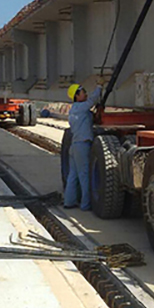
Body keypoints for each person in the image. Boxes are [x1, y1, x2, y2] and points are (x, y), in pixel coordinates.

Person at [63, 81, 104, 211]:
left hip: (75, 145)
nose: (85, 94)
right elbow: (92, 100)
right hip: (82, 145)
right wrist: (99, 86)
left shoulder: (74, 110)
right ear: (76, 96)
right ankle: (85, 204)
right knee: (84, 175)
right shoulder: (81, 108)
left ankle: (69, 201)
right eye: (83, 92)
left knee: (73, 175)